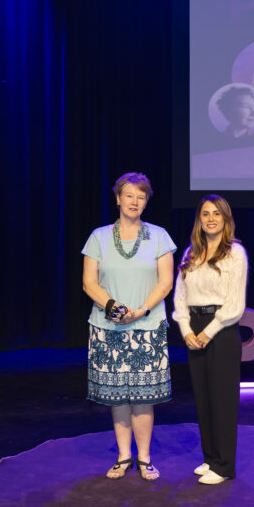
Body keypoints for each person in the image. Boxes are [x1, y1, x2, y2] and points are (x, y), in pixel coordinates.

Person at [81, 172, 177, 481]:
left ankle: (145, 458)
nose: (135, 201)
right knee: (118, 397)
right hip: (107, 328)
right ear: (118, 198)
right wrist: (112, 307)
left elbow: (166, 282)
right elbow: (88, 283)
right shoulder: (98, 237)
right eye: (129, 195)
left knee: (143, 397)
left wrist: (140, 310)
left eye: (141, 196)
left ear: (146, 201)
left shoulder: (160, 236)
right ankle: (124, 457)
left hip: (147, 327)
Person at [173, 194, 248, 485]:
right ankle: (210, 459)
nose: (211, 218)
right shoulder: (191, 253)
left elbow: (234, 305)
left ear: (226, 219)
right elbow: (180, 297)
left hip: (221, 330)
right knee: (203, 399)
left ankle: (225, 466)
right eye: (205, 214)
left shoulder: (235, 253)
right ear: (199, 220)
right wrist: (187, 331)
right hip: (194, 328)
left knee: (222, 400)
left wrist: (207, 332)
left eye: (217, 213)